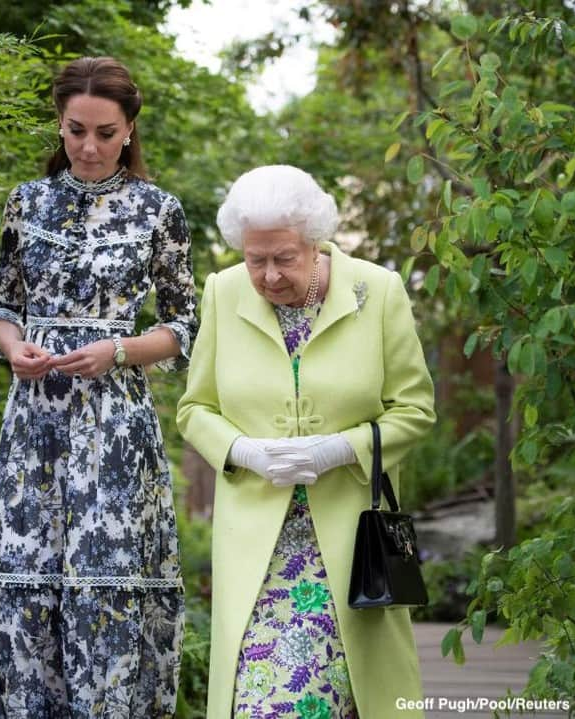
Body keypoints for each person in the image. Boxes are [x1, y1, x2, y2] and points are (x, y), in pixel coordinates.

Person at [0, 56, 197, 718]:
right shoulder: (25, 202)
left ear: (129, 129)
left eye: (104, 132)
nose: (89, 146)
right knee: (24, 579)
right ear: (59, 124)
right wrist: (16, 350)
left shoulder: (159, 211)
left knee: (105, 585)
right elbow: (1, 310)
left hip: (115, 428)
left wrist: (119, 350)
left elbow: (182, 326)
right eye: (75, 131)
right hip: (33, 423)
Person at [176, 165, 435, 719]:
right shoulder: (222, 292)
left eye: (284, 258)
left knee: (308, 701)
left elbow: (415, 411)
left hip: (348, 548)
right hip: (256, 548)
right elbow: (195, 409)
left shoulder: (377, 290)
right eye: (255, 259)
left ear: (315, 244)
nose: (268, 275)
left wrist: (339, 449)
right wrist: (244, 451)